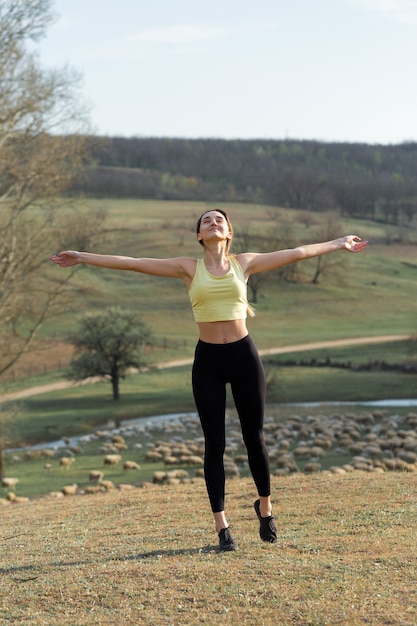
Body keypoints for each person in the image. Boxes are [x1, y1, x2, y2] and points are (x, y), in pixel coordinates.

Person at [50, 209, 367, 551]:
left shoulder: (244, 263)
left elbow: (297, 253)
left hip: (244, 358)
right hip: (208, 362)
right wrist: (81, 257)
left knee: (254, 438)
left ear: (229, 231)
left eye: (219, 220)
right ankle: (222, 527)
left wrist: (338, 243)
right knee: (214, 444)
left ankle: (266, 507)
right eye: (206, 221)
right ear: (199, 235)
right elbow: (132, 262)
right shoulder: (189, 268)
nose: (213, 223)